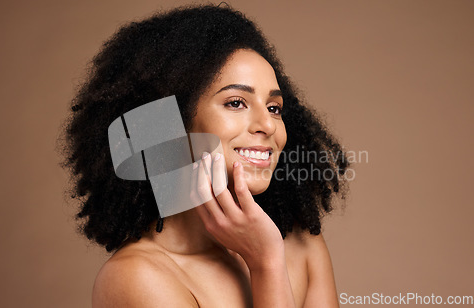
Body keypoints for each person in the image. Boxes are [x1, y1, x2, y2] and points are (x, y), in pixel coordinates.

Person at [59, 3, 350, 307]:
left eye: (274, 108)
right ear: (173, 124)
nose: (268, 125)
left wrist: (269, 258)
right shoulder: (137, 277)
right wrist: (265, 266)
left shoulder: (301, 247)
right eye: (236, 103)